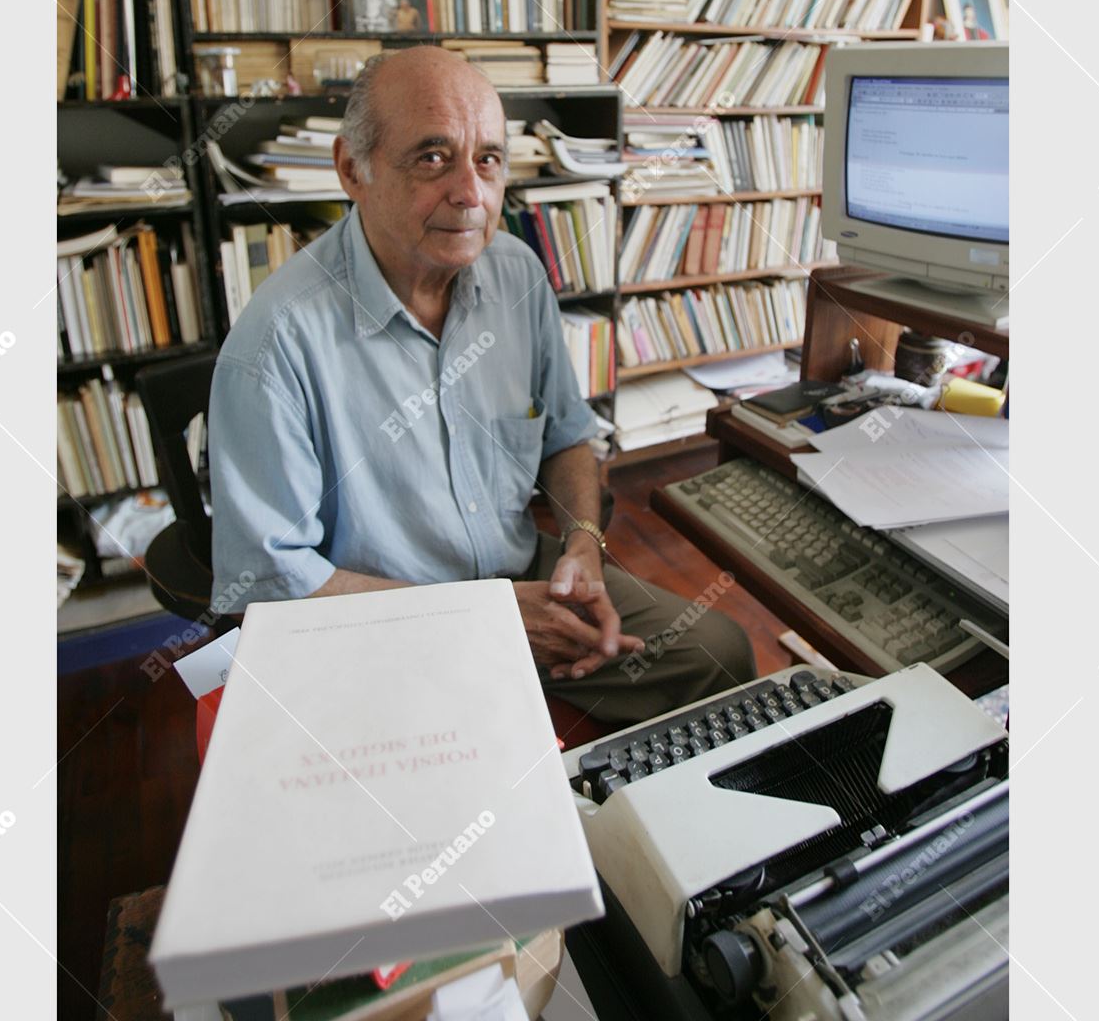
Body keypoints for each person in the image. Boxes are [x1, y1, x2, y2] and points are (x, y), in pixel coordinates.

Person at [207, 47, 756, 727]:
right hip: (385, 626)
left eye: (489, 159)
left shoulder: (516, 274)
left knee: (718, 652)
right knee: (466, 763)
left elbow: (567, 435)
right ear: (354, 169)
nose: (471, 194)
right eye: (433, 158)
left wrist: (583, 543)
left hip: (525, 580)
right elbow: (268, 589)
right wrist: (481, 622)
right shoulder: (277, 342)